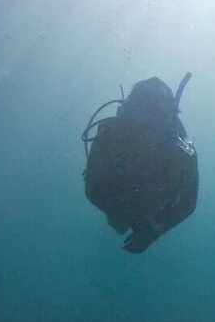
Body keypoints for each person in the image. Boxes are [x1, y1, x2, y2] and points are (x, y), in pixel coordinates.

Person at [81, 73, 198, 253]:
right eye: (145, 111)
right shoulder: (111, 133)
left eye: (154, 113)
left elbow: (188, 202)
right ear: (132, 110)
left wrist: (154, 231)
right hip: (120, 201)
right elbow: (92, 187)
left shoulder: (180, 147)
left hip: (154, 208)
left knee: (122, 223)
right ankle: (119, 220)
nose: (148, 124)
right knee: (118, 224)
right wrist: (133, 220)